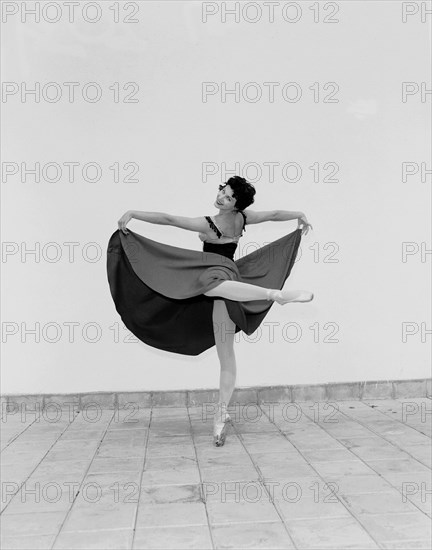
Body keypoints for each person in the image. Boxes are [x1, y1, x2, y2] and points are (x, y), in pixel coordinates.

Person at [108, 176, 313, 447]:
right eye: (222, 192)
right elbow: (274, 214)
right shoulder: (243, 218)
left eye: (228, 198)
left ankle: (272, 295)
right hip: (231, 284)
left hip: (216, 275)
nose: (221, 198)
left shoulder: (209, 223)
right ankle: (220, 417)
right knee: (226, 355)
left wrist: (134, 213)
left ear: (235, 205)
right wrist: (299, 214)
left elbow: (169, 220)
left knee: (208, 287)